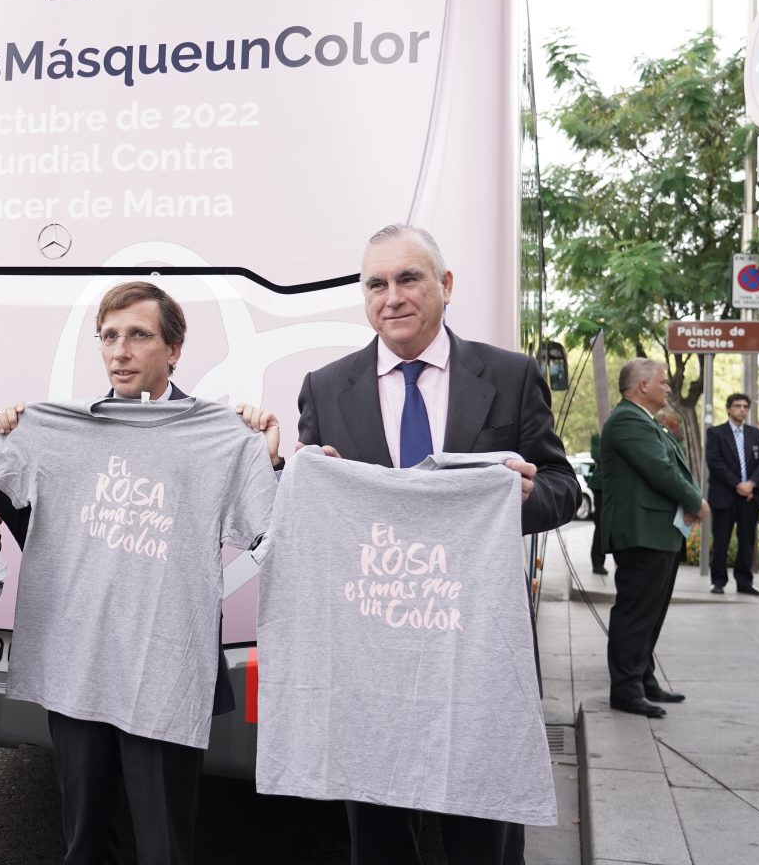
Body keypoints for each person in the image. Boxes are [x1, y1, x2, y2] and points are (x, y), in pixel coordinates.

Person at [295, 223, 579, 865]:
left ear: (445, 285)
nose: (392, 297)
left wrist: (527, 494)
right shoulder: (326, 387)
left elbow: (564, 487)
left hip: (478, 648)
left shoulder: (509, 376)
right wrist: (307, 481)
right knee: (379, 836)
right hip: (370, 653)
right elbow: (310, 515)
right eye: (376, 284)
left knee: (483, 834)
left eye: (408, 279)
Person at [0, 280, 280, 865]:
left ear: (174, 350)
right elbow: (16, 516)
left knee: (164, 844)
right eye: (109, 336)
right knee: (84, 840)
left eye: (138, 335)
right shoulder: (58, 430)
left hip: (164, 669)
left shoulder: (220, 436)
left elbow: (269, 535)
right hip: (76, 664)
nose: (120, 351)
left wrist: (265, 457)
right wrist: (1, 438)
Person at [600, 358, 706, 720]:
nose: (668, 388)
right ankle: (626, 689)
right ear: (642, 386)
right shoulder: (627, 420)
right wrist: (695, 501)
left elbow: (670, 465)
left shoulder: (646, 421)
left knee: (651, 614)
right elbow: (660, 470)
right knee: (636, 614)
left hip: (658, 532)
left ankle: (643, 679)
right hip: (641, 533)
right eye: (663, 382)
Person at [706, 393, 759, 596]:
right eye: (737, 406)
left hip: (749, 497)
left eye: (745, 406)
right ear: (728, 408)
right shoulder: (716, 433)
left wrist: (751, 484)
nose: (742, 409)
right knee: (721, 540)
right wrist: (738, 485)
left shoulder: (755, 434)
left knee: (747, 542)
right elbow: (715, 463)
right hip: (725, 496)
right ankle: (718, 581)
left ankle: (744, 582)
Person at [589, 432, 608, 576]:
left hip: (618, 486)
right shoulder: (597, 437)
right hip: (601, 486)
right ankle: (598, 561)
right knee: (601, 525)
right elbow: (598, 456)